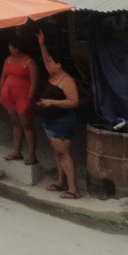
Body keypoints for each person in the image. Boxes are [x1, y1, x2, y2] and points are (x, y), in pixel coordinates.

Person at [36, 29, 82, 199]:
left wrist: (51, 102)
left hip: (62, 121)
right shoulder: (52, 74)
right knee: (57, 152)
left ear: (59, 64)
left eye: (51, 62)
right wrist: (42, 44)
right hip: (49, 119)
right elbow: (46, 58)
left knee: (63, 153)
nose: (47, 64)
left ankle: (73, 188)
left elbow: (74, 101)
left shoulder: (66, 80)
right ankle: (61, 181)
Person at [0, 37, 39, 164]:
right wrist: (2, 90)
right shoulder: (8, 59)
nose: (9, 48)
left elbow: (34, 82)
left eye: (11, 46)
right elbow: (3, 76)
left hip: (23, 96)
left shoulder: (29, 62)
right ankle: (17, 151)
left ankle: (32, 155)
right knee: (16, 124)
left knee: (27, 125)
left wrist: (30, 98)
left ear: (18, 47)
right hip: (10, 95)